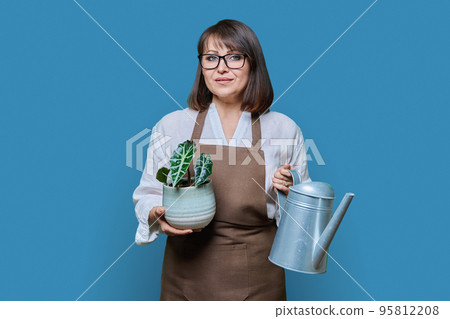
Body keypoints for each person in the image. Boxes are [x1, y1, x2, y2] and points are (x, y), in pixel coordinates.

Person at [132, 19, 311, 301]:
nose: (222, 68)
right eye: (211, 58)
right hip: (184, 279)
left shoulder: (283, 129)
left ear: (253, 64)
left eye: (234, 57)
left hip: (259, 280)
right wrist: (155, 214)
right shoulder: (173, 126)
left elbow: (302, 224)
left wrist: (290, 192)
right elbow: (149, 194)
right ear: (201, 66)